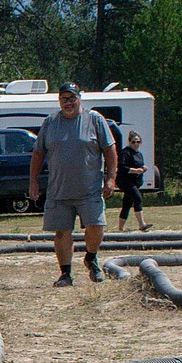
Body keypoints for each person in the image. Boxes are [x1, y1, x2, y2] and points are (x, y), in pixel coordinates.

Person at [29, 81, 118, 287]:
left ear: (80, 98)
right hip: (59, 190)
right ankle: (65, 274)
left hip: (90, 190)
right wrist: (33, 182)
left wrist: (111, 178)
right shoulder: (50, 122)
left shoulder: (94, 120)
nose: (68, 103)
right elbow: (38, 153)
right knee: (62, 233)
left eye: (72, 98)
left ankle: (91, 257)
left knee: (96, 226)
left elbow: (110, 150)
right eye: (63, 99)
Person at [117, 130, 153, 232]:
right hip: (125, 181)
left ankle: (120, 228)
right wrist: (135, 171)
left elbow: (139, 165)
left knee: (127, 204)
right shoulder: (125, 153)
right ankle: (142, 224)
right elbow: (122, 167)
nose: (136, 144)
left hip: (134, 182)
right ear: (129, 142)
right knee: (138, 198)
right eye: (133, 142)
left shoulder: (139, 154)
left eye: (138, 142)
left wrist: (143, 168)